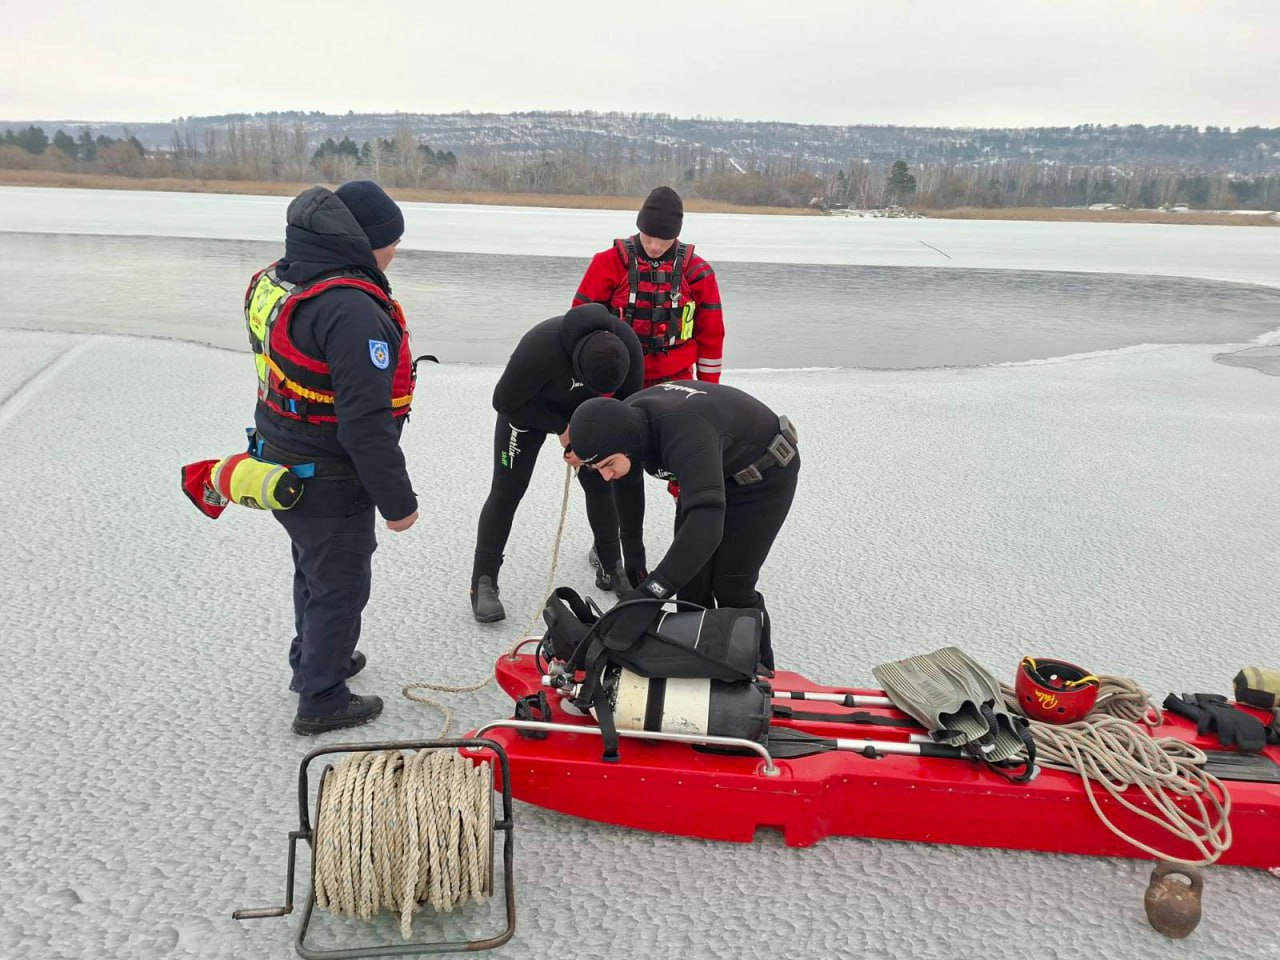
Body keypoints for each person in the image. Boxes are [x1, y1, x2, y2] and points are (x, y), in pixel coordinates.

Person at [246, 180, 420, 735]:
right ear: (367, 243)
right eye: (393, 242)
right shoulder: (349, 310)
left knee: (313, 568)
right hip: (328, 474)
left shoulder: (285, 276)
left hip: (280, 455)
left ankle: (319, 658)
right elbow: (364, 422)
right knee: (340, 584)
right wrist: (399, 502)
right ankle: (321, 697)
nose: (395, 253)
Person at [568, 381, 800, 670]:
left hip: (764, 474)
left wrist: (650, 593)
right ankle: (701, 666)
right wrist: (636, 571)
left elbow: (706, 525)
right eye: (597, 468)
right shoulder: (622, 430)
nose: (604, 475)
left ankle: (759, 673)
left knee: (732, 586)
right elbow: (627, 497)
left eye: (608, 464)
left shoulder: (683, 431)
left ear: (624, 446)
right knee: (691, 584)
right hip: (711, 467)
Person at [471, 303, 647, 622]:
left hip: (590, 414)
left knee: (601, 483)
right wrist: (562, 427)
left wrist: (595, 437)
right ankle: (483, 581)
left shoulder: (628, 346)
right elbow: (504, 401)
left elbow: (627, 409)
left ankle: (611, 567)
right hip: (527, 411)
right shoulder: (540, 347)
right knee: (507, 492)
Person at [572, 186, 724, 388]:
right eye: (649, 237)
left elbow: (711, 337)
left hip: (677, 378)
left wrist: (709, 389)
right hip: (616, 375)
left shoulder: (698, 273)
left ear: (675, 236)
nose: (654, 246)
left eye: (663, 241)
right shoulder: (608, 263)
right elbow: (578, 324)